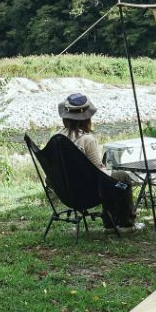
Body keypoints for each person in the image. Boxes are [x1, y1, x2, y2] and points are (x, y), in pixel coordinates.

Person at [57, 93, 143, 231]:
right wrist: (106, 169)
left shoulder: (57, 137)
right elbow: (98, 172)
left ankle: (110, 223)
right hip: (89, 191)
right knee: (122, 179)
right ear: (86, 118)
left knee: (112, 179)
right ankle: (126, 223)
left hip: (65, 191)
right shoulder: (87, 140)